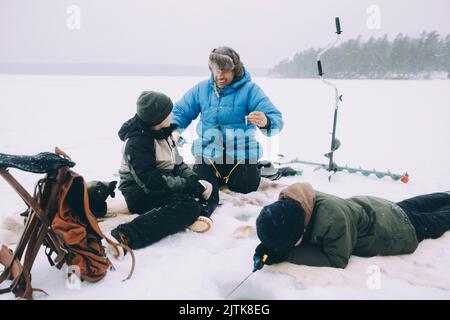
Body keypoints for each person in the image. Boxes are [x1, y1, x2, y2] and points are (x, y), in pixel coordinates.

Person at [172, 46, 284, 217]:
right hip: (208, 153)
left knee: (245, 185)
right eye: (216, 70)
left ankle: (252, 170)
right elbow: (180, 112)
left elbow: (276, 119)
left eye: (224, 71)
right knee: (202, 188)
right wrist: (174, 129)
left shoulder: (250, 90)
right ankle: (201, 214)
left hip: (241, 154)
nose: (219, 76)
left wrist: (266, 122)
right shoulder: (202, 89)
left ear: (235, 70)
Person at [253, 182, 450, 269]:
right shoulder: (301, 201)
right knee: (418, 204)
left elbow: (337, 258)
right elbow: (282, 225)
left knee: (436, 220)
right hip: (378, 207)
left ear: (302, 231)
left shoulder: (331, 221)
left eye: (292, 242)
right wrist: (271, 246)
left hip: (396, 230)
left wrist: (286, 254)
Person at [111, 91, 214, 250]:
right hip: (139, 193)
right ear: (158, 118)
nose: (172, 114)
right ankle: (126, 235)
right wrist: (187, 185)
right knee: (187, 206)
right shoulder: (137, 143)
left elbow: (178, 163)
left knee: (206, 185)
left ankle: (197, 213)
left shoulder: (163, 132)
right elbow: (152, 183)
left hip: (163, 182)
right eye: (169, 112)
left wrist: (192, 180)